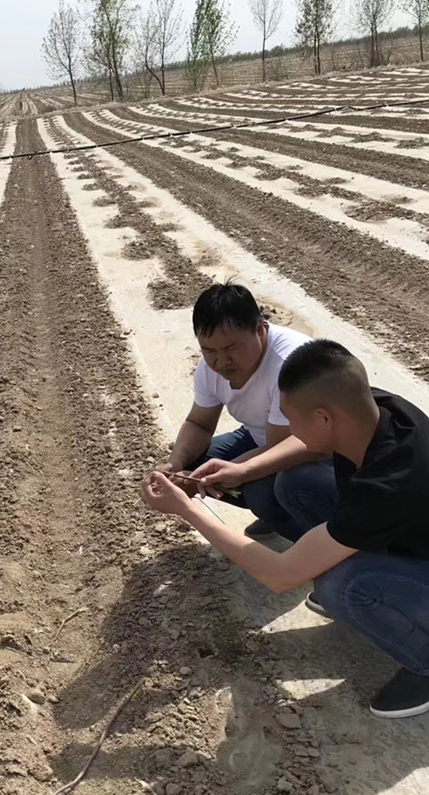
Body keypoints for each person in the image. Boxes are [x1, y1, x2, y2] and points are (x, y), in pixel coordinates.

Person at [142, 339, 429, 720]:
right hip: (406, 536)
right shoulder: (373, 408)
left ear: (324, 419)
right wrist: (243, 469)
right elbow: (305, 449)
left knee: (341, 584)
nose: (286, 428)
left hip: (410, 545)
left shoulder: (388, 484)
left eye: (291, 418)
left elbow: (280, 576)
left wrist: (187, 510)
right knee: (297, 482)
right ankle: (379, 580)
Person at [163, 282, 328, 542]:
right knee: (193, 463)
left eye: (231, 348)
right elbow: (199, 423)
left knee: (262, 490)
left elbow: (282, 446)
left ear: (260, 330)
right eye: (209, 351)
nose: (221, 361)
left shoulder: (289, 365)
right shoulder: (210, 369)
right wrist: (174, 464)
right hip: (262, 435)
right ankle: (279, 513)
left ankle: (319, 544)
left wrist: (222, 473)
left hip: (319, 450)